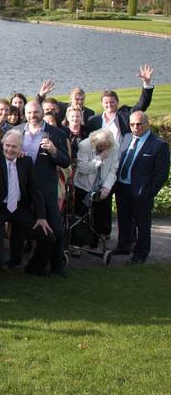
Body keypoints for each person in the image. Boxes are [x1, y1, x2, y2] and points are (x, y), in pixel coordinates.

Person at [0, 131, 55, 273]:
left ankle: (34, 269)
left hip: (20, 208)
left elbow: (34, 190)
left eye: (14, 147)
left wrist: (41, 217)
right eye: (7, 145)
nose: (10, 149)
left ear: (21, 149)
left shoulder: (26, 162)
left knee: (47, 236)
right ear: (2, 145)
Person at [19, 100, 71, 276]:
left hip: (46, 190)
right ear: (24, 114)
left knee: (56, 229)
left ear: (42, 112)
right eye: (29, 112)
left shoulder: (56, 133)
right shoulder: (17, 131)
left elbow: (65, 161)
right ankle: (21, 262)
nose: (32, 115)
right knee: (24, 229)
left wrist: (54, 151)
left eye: (36, 112)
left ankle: (58, 265)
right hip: (22, 190)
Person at [112, 111, 170, 264]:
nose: (135, 127)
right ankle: (124, 246)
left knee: (142, 224)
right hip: (122, 187)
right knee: (123, 220)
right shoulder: (126, 138)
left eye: (139, 124)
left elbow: (162, 174)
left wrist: (149, 192)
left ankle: (141, 253)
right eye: (132, 124)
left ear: (147, 123)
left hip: (142, 192)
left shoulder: (159, 144)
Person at [73, 129, 119, 241]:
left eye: (107, 146)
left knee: (102, 214)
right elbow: (83, 169)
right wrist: (99, 158)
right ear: (95, 143)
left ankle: (100, 239)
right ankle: (78, 242)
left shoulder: (114, 146)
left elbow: (113, 169)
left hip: (102, 185)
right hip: (84, 185)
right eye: (102, 146)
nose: (105, 149)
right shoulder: (84, 145)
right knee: (81, 215)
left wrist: (106, 187)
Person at [86, 65, 155, 140]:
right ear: (102, 104)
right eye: (106, 103)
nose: (109, 105)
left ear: (117, 102)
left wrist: (146, 83)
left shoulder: (126, 114)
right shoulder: (94, 120)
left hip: (122, 151)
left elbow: (142, 105)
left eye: (112, 102)